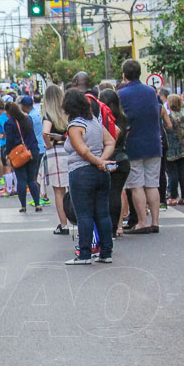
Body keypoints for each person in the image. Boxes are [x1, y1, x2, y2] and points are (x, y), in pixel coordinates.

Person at [63, 89, 116, 264]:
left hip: (81, 172)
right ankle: (106, 252)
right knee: (102, 213)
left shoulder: (75, 126)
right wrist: (102, 160)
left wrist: (95, 161)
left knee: (84, 215)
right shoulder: (95, 122)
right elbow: (110, 141)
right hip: (101, 173)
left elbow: (82, 150)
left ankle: (84, 254)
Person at [118, 60, 163, 234]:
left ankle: (143, 222)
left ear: (124, 74)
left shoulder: (122, 94)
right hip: (153, 141)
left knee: (136, 184)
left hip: (134, 143)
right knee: (152, 184)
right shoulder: (151, 92)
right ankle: (156, 221)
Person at [98, 89, 130, 238]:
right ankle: (118, 226)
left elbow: (113, 136)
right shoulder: (124, 118)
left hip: (110, 158)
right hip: (123, 158)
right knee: (117, 193)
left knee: (109, 195)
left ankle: (110, 229)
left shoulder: (104, 119)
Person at [41, 85, 70, 234]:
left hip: (55, 153)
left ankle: (63, 224)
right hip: (69, 150)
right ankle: (76, 220)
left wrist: (48, 145)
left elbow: (45, 132)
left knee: (59, 191)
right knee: (72, 188)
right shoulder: (67, 114)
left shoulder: (48, 115)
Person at [3, 101, 42, 213]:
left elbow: (10, 140)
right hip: (32, 151)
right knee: (31, 179)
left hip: (19, 154)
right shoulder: (28, 119)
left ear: (8, 112)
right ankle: (37, 204)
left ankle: (23, 206)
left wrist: (8, 154)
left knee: (21, 180)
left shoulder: (10, 123)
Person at [165, 94, 184, 205]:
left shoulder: (169, 118)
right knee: (182, 172)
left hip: (171, 149)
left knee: (172, 173)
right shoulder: (183, 116)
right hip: (183, 147)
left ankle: (173, 196)